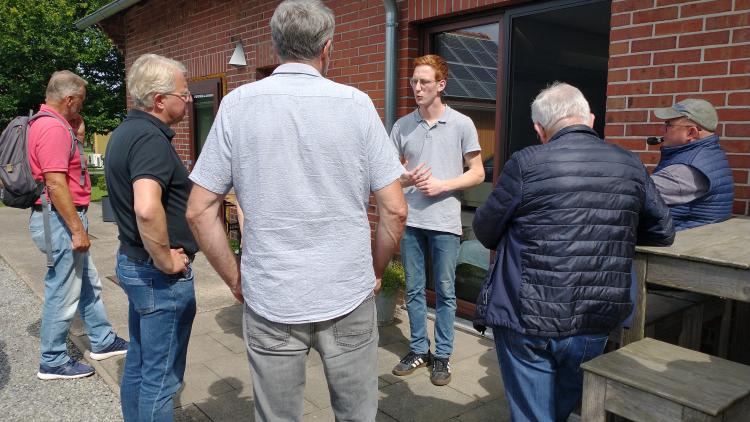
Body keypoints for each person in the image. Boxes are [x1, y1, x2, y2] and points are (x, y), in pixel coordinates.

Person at [186, 1, 407, 421]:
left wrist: (236, 278)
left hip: (271, 294)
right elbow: (395, 210)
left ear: (274, 46)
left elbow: (199, 211)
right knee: (358, 414)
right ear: (328, 48)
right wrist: (375, 271)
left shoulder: (237, 105)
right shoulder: (356, 105)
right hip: (347, 290)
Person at [472, 82, 675, 421]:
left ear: (539, 129)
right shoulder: (630, 164)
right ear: (590, 118)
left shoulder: (526, 163)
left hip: (529, 314)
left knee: (534, 414)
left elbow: (485, 228)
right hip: (595, 314)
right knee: (563, 407)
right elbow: (663, 231)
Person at [105, 54, 197, 421]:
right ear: (159, 99)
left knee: (140, 364)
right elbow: (146, 207)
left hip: (134, 264)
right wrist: (166, 260)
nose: (188, 99)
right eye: (184, 93)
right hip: (157, 274)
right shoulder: (149, 139)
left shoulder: (127, 131)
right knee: (162, 380)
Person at [389, 54, 484, 386]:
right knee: (414, 289)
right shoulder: (402, 126)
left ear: (440, 85)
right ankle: (418, 349)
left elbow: (478, 173)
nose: (417, 87)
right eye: (413, 81)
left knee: (444, 291)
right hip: (412, 221)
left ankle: (442, 356)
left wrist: (443, 184)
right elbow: (390, 175)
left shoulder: (462, 124)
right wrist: (406, 179)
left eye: (424, 82)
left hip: (444, 222)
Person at [28, 70, 128, 380]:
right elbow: (57, 184)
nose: (81, 107)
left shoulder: (52, 125)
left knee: (87, 283)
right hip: (59, 220)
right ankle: (53, 359)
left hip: (58, 217)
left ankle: (102, 339)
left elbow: (67, 173)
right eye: (81, 101)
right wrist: (77, 229)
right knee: (62, 289)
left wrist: (80, 138)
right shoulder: (53, 129)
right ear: (70, 99)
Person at [651, 98, 734, 230]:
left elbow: (632, 193)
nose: (662, 128)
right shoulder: (709, 154)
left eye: (668, 124)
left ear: (691, 133)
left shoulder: (686, 169)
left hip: (675, 241)